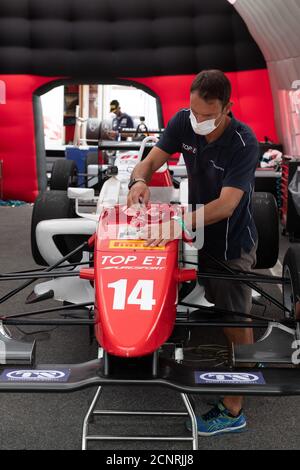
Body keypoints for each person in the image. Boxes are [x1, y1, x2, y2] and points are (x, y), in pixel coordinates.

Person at [127, 69, 259, 436]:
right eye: (193, 111)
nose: (198, 120)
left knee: (235, 320)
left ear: (227, 107)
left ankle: (235, 409)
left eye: (207, 114)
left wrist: (175, 225)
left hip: (230, 242)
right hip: (196, 233)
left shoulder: (243, 142)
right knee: (209, 306)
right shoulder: (182, 122)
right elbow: (151, 160)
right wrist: (139, 180)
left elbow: (227, 205)